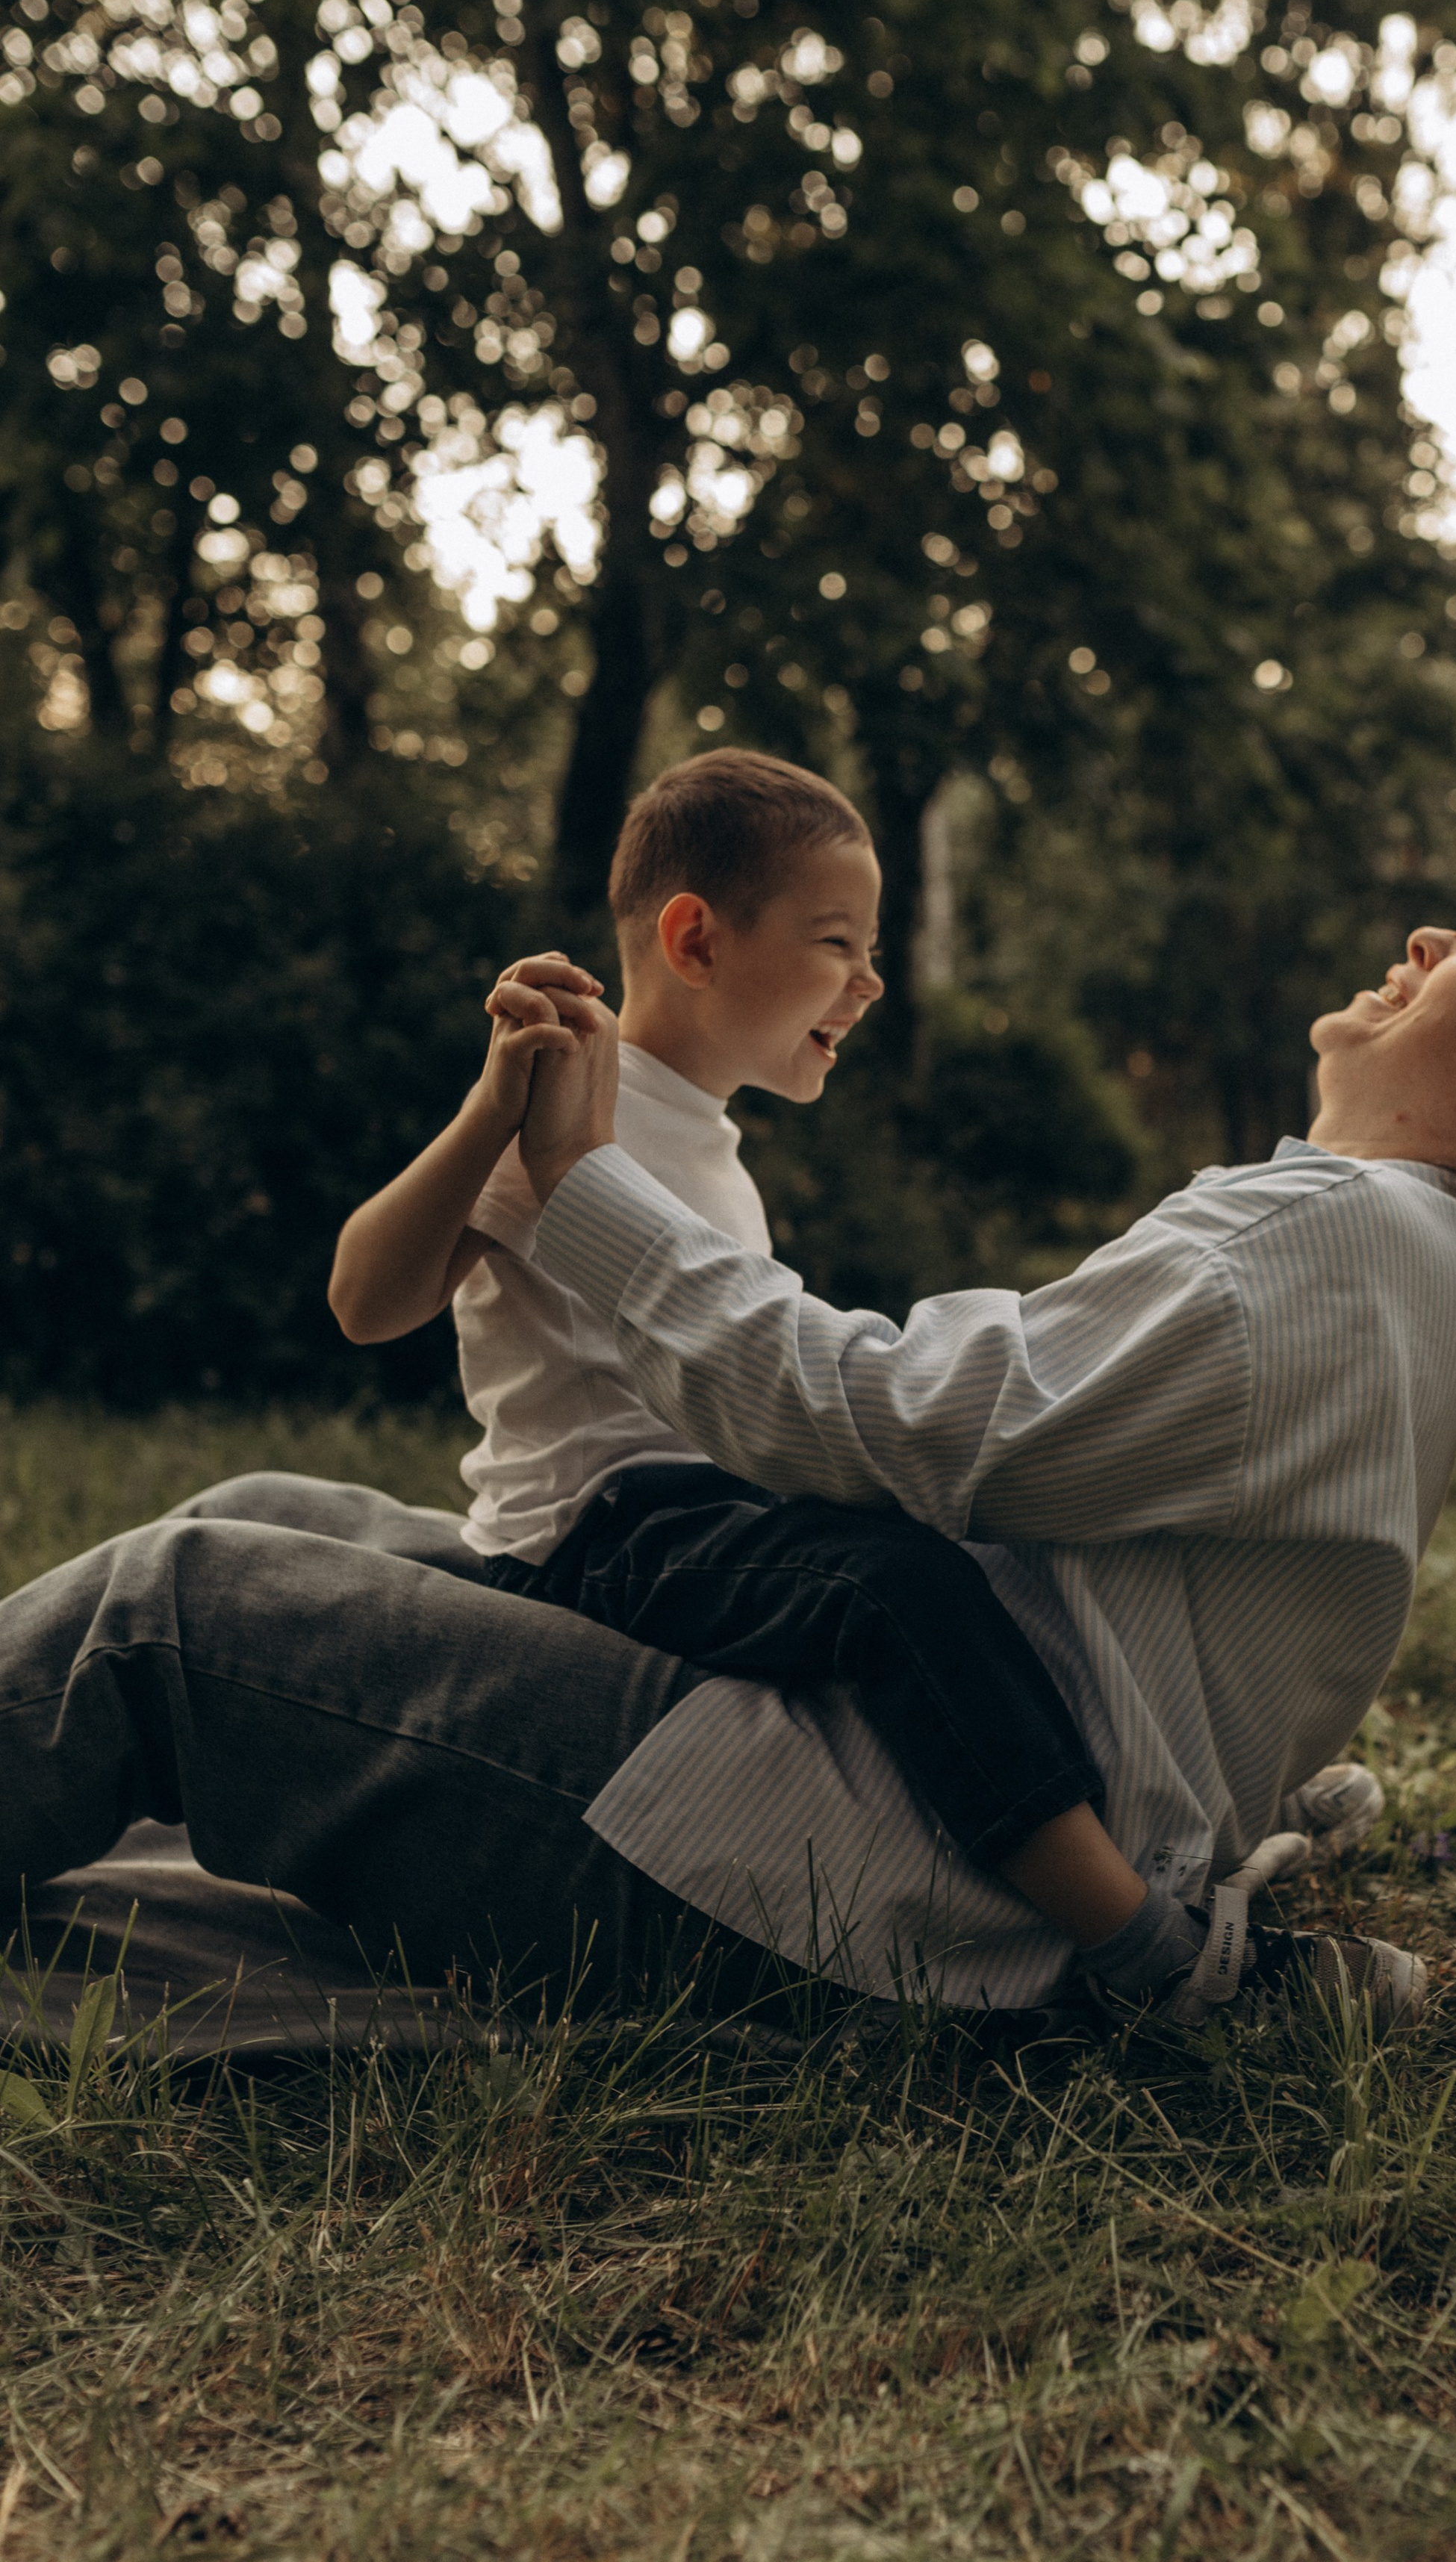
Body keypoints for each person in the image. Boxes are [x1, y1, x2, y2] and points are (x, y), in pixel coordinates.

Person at [0, 913, 1456, 2042]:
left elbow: (885, 1422)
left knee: (168, 1614)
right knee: (270, 1519)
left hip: (835, 1865)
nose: (1429, 936)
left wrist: (584, 1190)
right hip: (890, 1800)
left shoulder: (1342, 1237)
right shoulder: (1393, 1264)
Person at [320, 742, 1361, 2020]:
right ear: (695, 940)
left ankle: (1190, 1807)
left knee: (979, 1537)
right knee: (893, 1590)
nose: (870, 982)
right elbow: (366, 1302)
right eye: (836, 945)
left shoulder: (703, 1132)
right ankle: (1142, 1948)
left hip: (710, 1512)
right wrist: (492, 1110)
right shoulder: (572, 1105)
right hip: (598, 1539)